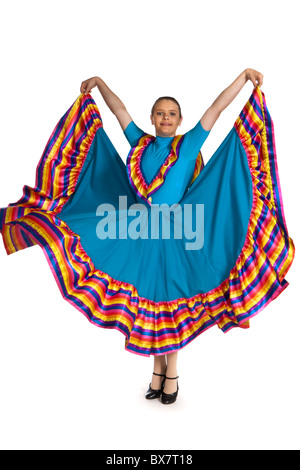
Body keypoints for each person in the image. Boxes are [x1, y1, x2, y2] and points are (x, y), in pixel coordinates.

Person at [79, 69, 264, 404]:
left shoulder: (189, 143)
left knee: (172, 300)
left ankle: (171, 373)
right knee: (149, 300)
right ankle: (156, 369)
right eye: (160, 113)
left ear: (180, 120)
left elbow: (216, 109)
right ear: (152, 119)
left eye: (172, 114)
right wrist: (99, 84)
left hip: (178, 232)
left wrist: (244, 78)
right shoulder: (140, 143)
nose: (166, 118)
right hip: (139, 233)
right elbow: (119, 112)